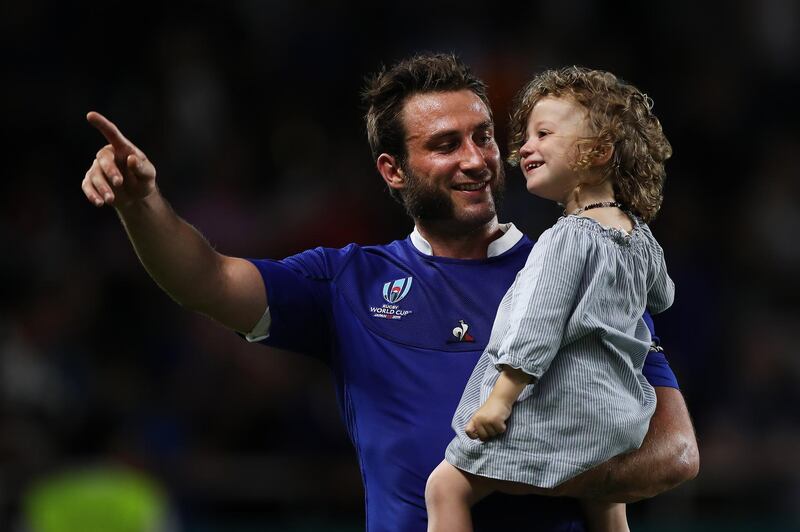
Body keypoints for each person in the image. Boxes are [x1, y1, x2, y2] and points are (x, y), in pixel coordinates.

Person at [81, 53, 698, 532]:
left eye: (483, 136)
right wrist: (141, 205)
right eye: (444, 144)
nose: (477, 159)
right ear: (392, 170)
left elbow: (674, 453)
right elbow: (206, 280)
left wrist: (505, 474)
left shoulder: (581, 264)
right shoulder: (346, 281)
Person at [425, 67, 675, 532]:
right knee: (604, 503)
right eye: (525, 136)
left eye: (544, 134)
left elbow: (537, 324)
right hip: (620, 420)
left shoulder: (567, 238)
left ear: (597, 152)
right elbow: (662, 297)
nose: (524, 147)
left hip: (566, 414)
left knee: (444, 488)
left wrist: (499, 401)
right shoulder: (639, 236)